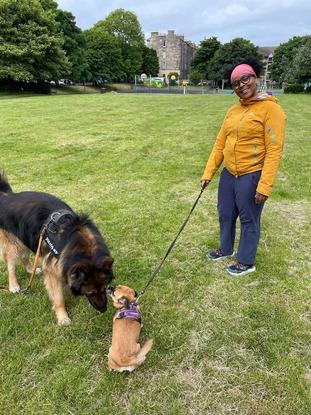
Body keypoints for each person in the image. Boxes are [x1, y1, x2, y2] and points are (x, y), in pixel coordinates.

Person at [201, 58, 286, 276]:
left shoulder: (271, 109)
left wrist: (264, 185)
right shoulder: (233, 111)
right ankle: (226, 248)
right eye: (236, 83)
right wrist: (208, 172)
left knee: (249, 219)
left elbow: (274, 150)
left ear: (255, 78)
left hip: (252, 174)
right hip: (229, 173)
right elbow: (220, 143)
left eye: (245, 78)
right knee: (225, 213)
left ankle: (246, 261)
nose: (241, 85)